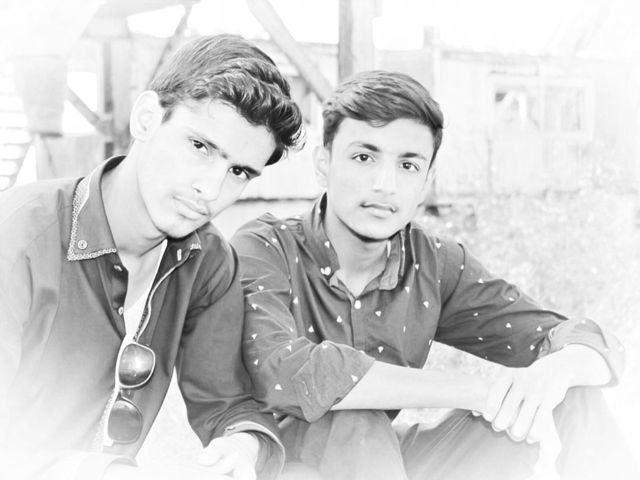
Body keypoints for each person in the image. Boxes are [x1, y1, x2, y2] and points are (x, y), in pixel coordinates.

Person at [231, 70, 638, 480]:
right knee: (356, 417)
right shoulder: (266, 246)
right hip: (280, 464)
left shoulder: (432, 263)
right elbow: (281, 369)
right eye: (364, 157)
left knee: (560, 389)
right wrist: (477, 390)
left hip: (384, 461)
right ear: (324, 164)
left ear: (426, 182)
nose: (385, 184)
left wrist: (558, 370)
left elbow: (572, 337)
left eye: (408, 165)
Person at [0, 34, 303, 480]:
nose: (211, 189)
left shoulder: (208, 259)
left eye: (238, 171)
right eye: (200, 146)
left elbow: (227, 403)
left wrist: (242, 444)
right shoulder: (19, 233)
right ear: (146, 118)